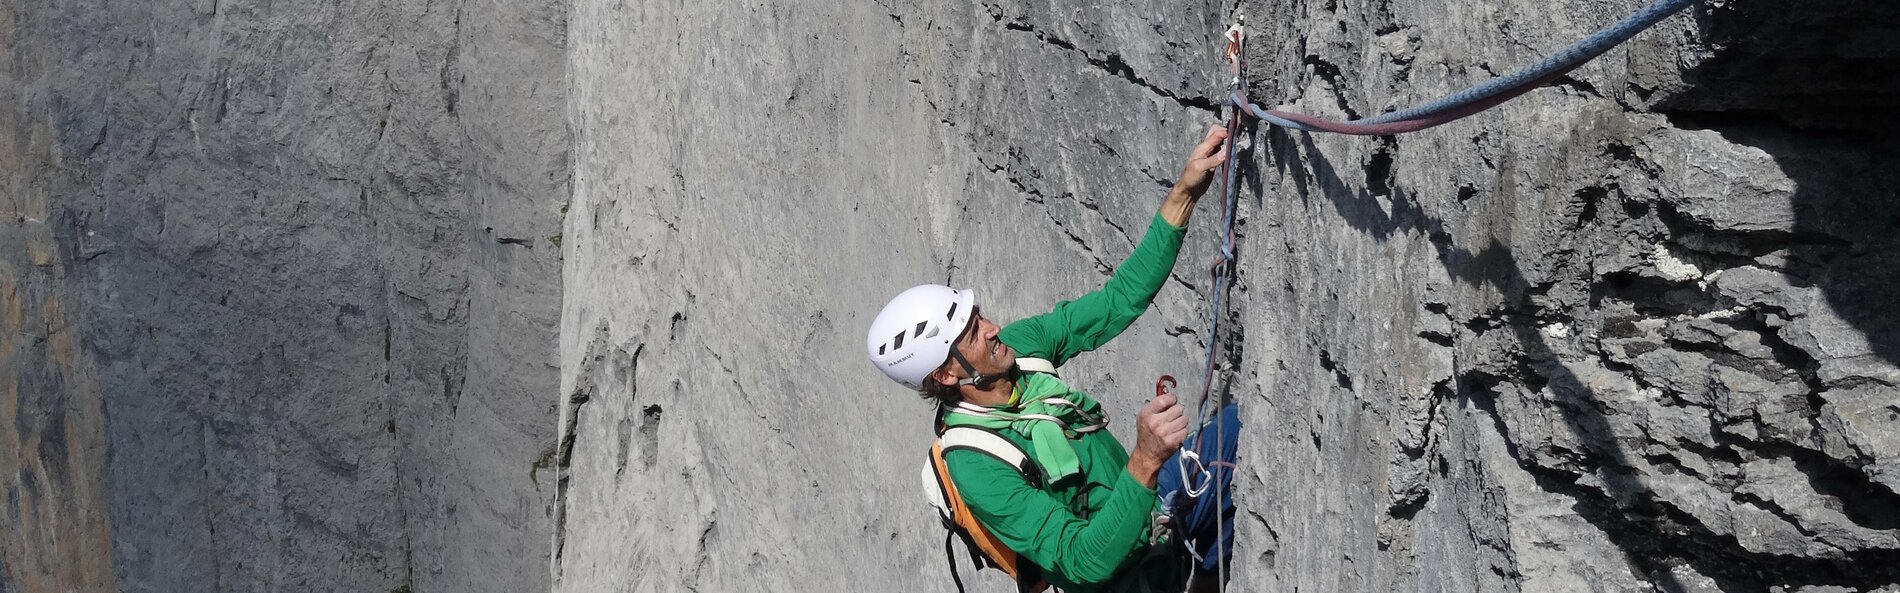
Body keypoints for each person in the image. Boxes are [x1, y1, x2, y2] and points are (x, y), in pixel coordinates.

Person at [866, 126, 1240, 592]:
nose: (992, 329)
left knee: (1238, 432)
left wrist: (1183, 195)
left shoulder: (1017, 351)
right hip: (1116, 575)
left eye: (979, 316)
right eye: (971, 333)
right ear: (946, 373)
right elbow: (1081, 560)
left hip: (1152, 514)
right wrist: (1144, 460)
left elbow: (1116, 301)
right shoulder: (977, 466)